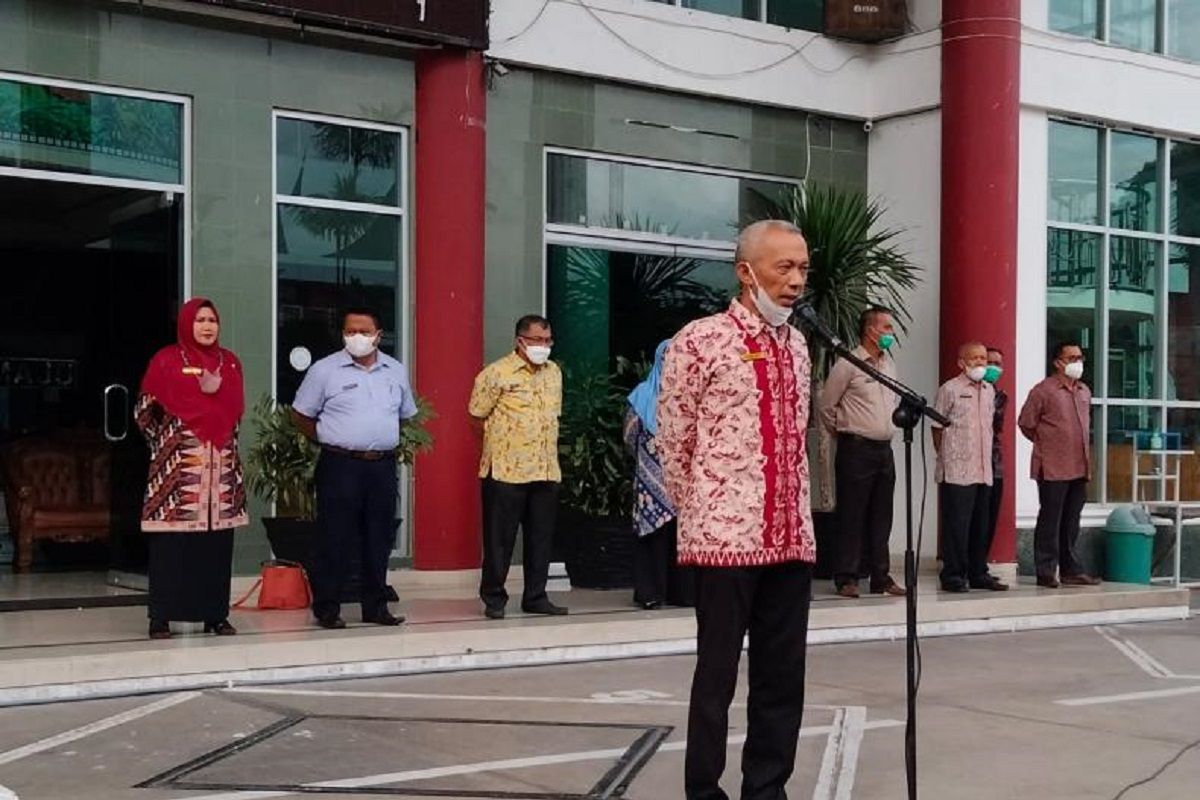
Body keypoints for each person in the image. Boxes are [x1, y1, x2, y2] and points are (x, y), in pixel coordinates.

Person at [658, 219, 815, 800]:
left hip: (791, 537)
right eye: (784, 268)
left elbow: (799, 437)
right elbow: (673, 438)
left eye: (803, 268)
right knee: (717, 676)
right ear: (746, 271)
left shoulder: (799, 344)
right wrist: (703, 508)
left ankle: (767, 789)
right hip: (723, 540)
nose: (797, 280)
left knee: (782, 678)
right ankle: (704, 789)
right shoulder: (699, 340)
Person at [292, 308, 418, 629]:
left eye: (364, 331)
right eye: (350, 331)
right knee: (335, 536)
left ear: (378, 335)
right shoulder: (325, 370)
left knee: (378, 537)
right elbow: (302, 415)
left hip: (381, 465)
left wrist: (376, 437)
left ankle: (375, 606)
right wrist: (329, 438)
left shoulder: (395, 370)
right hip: (340, 464)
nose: (357, 337)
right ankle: (328, 608)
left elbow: (404, 415)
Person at [136, 297, 248, 640]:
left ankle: (215, 615)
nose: (206, 326)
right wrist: (171, 446)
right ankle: (161, 618)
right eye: (199, 319)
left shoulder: (229, 363)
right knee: (172, 550)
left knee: (215, 550)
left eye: (212, 320)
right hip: (177, 475)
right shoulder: (166, 360)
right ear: (187, 323)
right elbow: (144, 413)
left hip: (221, 474)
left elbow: (235, 415)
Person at [469, 315, 568, 620]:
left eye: (547, 340)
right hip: (506, 470)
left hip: (545, 469)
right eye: (537, 340)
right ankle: (494, 598)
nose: (543, 346)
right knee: (500, 539)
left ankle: (536, 596)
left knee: (540, 537)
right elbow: (476, 417)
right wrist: (498, 447)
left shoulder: (554, 373)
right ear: (520, 341)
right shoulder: (496, 373)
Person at [818, 306, 905, 599]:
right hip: (856, 448)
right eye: (887, 328)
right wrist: (845, 433)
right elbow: (827, 406)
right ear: (870, 330)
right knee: (852, 516)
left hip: (885, 450)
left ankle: (880, 576)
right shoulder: (849, 363)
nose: (890, 334)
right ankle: (847, 577)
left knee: (882, 516)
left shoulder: (888, 363)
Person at [1018, 342, 1102, 588]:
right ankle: (1045, 570)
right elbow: (1025, 422)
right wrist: (1048, 444)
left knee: (1071, 520)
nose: (1078, 362)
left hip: (1079, 464)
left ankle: (1070, 569)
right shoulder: (1044, 390)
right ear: (1058, 362)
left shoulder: (1084, 390)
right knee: (1050, 519)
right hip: (1053, 465)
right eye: (1072, 357)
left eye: (1080, 357)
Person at [932, 342, 1008, 593]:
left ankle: (978, 572)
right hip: (957, 469)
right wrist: (946, 455)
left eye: (984, 359)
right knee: (956, 525)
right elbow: (937, 426)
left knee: (980, 524)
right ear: (961, 363)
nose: (980, 363)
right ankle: (953, 575)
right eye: (974, 359)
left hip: (983, 468)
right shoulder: (950, 389)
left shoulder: (988, 390)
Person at [624, 340, 695, 611]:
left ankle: (683, 593)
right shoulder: (642, 395)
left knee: (683, 537)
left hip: (686, 482)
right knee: (652, 536)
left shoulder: (692, 396)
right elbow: (630, 435)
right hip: (650, 481)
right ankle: (650, 593)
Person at [984, 346, 1007, 564]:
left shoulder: (1000, 396)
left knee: (991, 517)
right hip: (972, 465)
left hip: (995, 462)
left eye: (998, 364)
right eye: (989, 362)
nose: (994, 367)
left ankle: (981, 565)